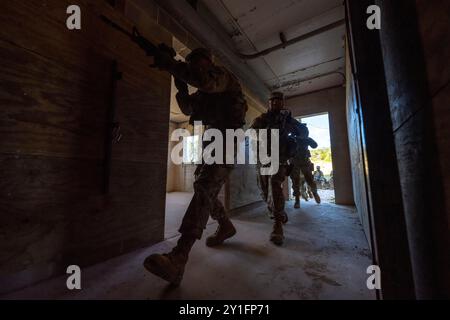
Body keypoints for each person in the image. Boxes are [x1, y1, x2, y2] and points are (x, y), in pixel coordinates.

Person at [143, 48, 248, 286]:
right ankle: (225, 225)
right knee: (203, 186)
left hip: (227, 140)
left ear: (207, 61)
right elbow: (189, 109)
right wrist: (179, 84)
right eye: (190, 64)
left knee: (203, 188)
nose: (193, 66)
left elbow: (204, 80)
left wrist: (172, 64)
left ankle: (179, 258)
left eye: (195, 62)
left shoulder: (223, 77)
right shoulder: (203, 91)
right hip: (211, 141)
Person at [251, 91, 307, 245]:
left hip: (280, 159)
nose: (275, 102)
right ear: (269, 103)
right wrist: (265, 133)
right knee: (264, 192)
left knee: (274, 186)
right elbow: (252, 132)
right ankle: (280, 213)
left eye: (279, 100)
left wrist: (294, 128)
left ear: (283, 102)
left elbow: (303, 131)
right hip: (263, 160)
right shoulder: (263, 119)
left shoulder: (288, 119)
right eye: (272, 100)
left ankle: (277, 225)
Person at [290, 136, 321, 207]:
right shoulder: (291, 139)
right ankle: (297, 200)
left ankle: (314, 193)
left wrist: (307, 139)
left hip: (305, 163)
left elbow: (314, 145)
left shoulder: (305, 138)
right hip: (295, 164)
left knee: (310, 180)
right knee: (295, 183)